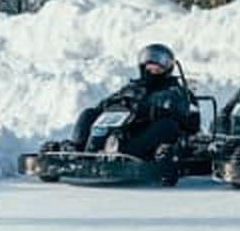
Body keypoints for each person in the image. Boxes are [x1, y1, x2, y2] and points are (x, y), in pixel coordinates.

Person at [62, 43, 200, 160]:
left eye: (157, 69)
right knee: (89, 113)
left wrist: (152, 112)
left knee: (167, 125)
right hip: (123, 129)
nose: (152, 72)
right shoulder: (133, 88)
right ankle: (78, 149)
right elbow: (106, 103)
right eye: (149, 68)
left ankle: (127, 155)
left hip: (149, 136)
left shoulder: (176, 91)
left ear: (166, 70)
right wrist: (113, 104)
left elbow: (190, 121)